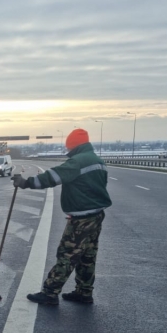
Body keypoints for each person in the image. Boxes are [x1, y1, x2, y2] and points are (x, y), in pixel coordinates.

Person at [12, 128, 111, 305]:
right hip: (96, 216)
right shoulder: (97, 160)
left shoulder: (77, 162)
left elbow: (52, 177)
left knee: (67, 254)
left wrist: (26, 183)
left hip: (82, 219)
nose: (67, 150)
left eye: (69, 146)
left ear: (73, 145)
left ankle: (50, 293)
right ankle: (84, 292)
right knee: (87, 256)